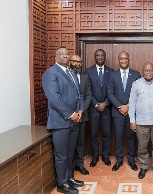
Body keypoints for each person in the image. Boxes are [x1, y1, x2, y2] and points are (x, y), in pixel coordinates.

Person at [42, 46, 84, 194]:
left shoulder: (72, 73)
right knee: (62, 155)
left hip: (75, 120)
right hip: (60, 122)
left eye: (67, 54)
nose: (65, 56)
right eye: (62, 54)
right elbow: (55, 99)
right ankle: (62, 184)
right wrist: (71, 114)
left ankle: (70, 178)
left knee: (70, 153)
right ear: (56, 56)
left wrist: (80, 110)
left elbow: (79, 95)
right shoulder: (50, 73)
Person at [107, 51, 141, 171]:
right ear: (118, 60)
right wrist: (120, 107)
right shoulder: (113, 75)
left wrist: (128, 106)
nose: (123, 60)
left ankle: (131, 160)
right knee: (118, 136)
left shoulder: (136, 75)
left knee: (131, 137)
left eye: (125, 58)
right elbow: (110, 93)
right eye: (121, 58)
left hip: (132, 112)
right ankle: (119, 160)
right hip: (117, 112)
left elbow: (139, 93)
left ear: (129, 60)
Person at [85, 49, 113, 167]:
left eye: (102, 55)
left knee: (107, 134)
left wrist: (105, 103)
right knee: (93, 135)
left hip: (107, 109)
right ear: (94, 57)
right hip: (93, 109)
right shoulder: (88, 71)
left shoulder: (111, 71)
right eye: (98, 55)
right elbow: (87, 91)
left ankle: (106, 156)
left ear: (105, 57)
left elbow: (112, 90)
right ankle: (95, 157)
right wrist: (96, 104)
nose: (100, 57)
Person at [69, 55, 92, 175]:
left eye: (79, 62)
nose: (77, 64)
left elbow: (88, 94)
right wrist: (72, 113)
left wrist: (81, 110)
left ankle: (79, 165)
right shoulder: (66, 76)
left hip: (82, 115)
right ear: (70, 62)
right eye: (75, 61)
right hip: (68, 116)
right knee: (69, 142)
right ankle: (70, 166)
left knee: (80, 142)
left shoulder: (85, 77)